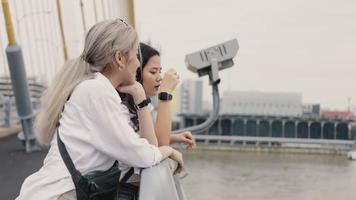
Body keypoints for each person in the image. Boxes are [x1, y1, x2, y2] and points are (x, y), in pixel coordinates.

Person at [16, 19, 184, 200]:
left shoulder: (96, 89)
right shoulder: (96, 91)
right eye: (136, 55)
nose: (137, 64)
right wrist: (170, 151)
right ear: (120, 58)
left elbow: (136, 146)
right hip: (57, 194)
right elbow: (139, 154)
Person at [116, 43, 196, 199]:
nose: (159, 77)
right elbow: (158, 146)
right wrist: (165, 94)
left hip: (132, 188)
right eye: (153, 71)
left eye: (160, 71)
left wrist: (175, 136)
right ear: (136, 73)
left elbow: (143, 137)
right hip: (123, 192)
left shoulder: (141, 105)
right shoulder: (122, 109)